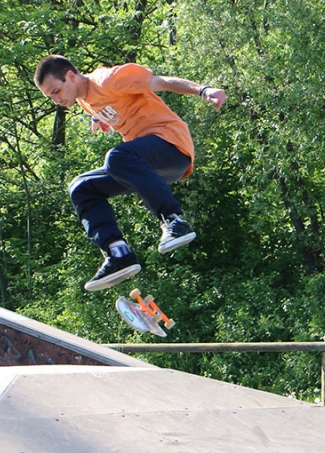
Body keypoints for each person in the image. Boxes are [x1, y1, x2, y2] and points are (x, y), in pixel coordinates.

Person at [34, 55, 226, 291]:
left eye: (56, 90)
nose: (56, 99)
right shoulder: (84, 99)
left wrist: (204, 90)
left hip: (172, 145)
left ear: (71, 76)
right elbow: (112, 106)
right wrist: (99, 117)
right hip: (147, 167)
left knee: (116, 157)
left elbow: (162, 82)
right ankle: (118, 253)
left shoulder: (107, 80)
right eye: (50, 96)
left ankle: (174, 221)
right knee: (81, 187)